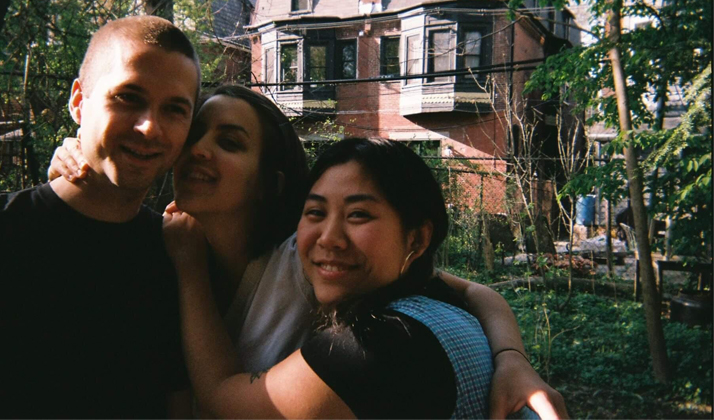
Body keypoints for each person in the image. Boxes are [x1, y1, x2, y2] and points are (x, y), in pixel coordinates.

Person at [50, 87, 568, 419]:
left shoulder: (311, 269)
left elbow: (476, 292)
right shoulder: (166, 246)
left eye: (230, 142)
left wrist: (513, 362)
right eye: (194, 135)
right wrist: (82, 165)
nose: (199, 150)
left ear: (270, 183)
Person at [164, 138, 528, 418]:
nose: (329, 238)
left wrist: (189, 267)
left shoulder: (372, 349)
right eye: (315, 212)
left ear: (416, 239)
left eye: (358, 215)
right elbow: (478, 291)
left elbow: (220, 396)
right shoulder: (441, 306)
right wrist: (513, 358)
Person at [0, 15, 200, 418]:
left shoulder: (177, 257)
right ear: (78, 101)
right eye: (128, 97)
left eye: (174, 109)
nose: (150, 127)